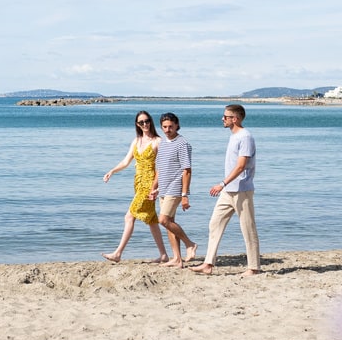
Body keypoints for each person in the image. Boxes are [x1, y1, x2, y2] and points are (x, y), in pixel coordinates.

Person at [193, 103, 259, 276]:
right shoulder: (234, 136)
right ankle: (208, 264)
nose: (222, 119)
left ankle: (253, 267)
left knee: (248, 227)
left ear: (235, 119)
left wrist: (221, 183)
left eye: (225, 116)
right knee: (215, 223)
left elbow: (241, 166)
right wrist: (225, 186)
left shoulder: (245, 137)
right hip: (228, 191)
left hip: (241, 190)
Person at [101, 110, 169, 263]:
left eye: (146, 121)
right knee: (152, 220)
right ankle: (164, 255)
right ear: (137, 125)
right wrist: (112, 171)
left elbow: (162, 167)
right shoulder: (136, 141)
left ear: (150, 121)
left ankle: (118, 253)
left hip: (149, 183)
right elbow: (126, 162)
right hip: (138, 183)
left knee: (129, 216)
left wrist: (157, 187)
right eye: (141, 122)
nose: (144, 124)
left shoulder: (158, 141)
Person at [153, 113, 198, 267]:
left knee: (163, 220)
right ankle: (177, 259)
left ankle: (190, 244)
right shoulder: (163, 143)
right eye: (164, 127)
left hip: (176, 188)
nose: (167, 129)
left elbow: (187, 170)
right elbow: (160, 168)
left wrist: (185, 195)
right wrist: (154, 188)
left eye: (170, 126)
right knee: (169, 223)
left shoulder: (182, 143)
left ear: (177, 125)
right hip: (163, 189)